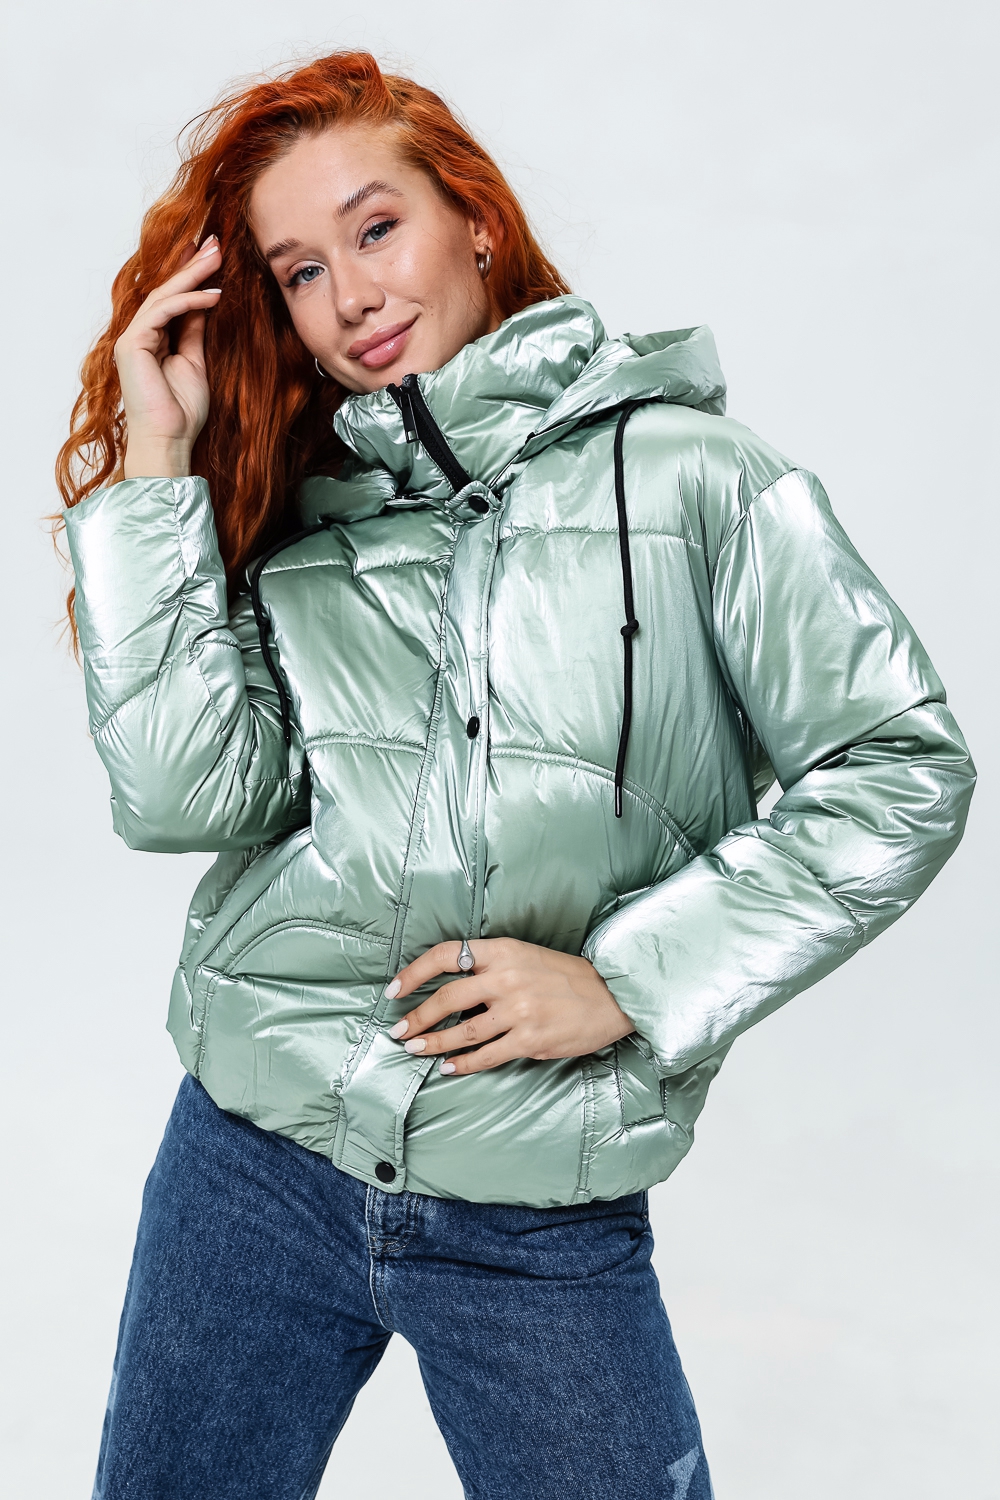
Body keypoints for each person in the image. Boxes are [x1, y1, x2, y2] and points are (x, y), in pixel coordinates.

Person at [58, 49, 974, 1500]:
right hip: (249, 1161)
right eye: (301, 272)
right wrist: (158, 472)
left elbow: (898, 766)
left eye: (376, 229)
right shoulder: (301, 521)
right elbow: (183, 800)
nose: (350, 296)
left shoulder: (696, 480)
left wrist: (626, 980)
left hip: (540, 1199)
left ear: (474, 223)